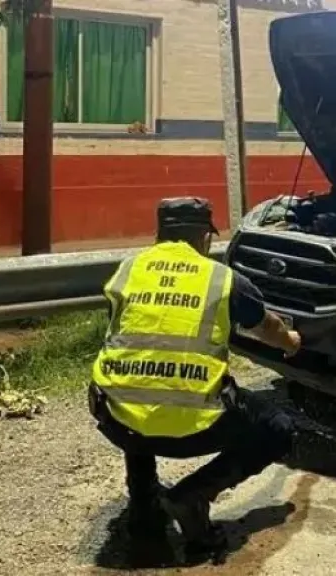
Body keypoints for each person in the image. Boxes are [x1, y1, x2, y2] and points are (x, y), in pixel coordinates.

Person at [87, 197, 302, 554]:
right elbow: (266, 326)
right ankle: (193, 494)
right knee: (277, 428)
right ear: (205, 238)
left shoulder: (128, 268)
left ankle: (144, 505)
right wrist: (290, 342)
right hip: (196, 430)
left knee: (135, 388)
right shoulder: (221, 279)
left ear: (159, 235)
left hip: (116, 419)